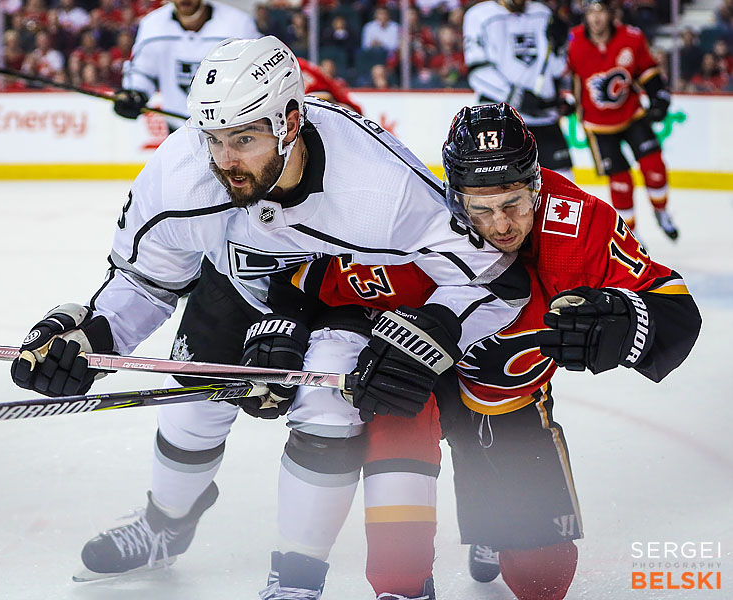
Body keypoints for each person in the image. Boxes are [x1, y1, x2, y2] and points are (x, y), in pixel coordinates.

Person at [10, 37, 531, 598]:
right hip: (237, 284)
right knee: (192, 404)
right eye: (214, 139)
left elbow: (495, 277)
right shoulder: (179, 175)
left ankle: (295, 582)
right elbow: (144, 281)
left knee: (327, 410)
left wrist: (429, 336)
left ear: (291, 122)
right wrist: (94, 335)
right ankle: (165, 525)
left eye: (245, 139)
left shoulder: (380, 184)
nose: (225, 161)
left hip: (345, 296)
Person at [292, 103, 701, 599]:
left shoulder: (577, 227)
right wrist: (282, 328)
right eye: (480, 209)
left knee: (543, 579)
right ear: (452, 197)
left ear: (536, 186)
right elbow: (308, 279)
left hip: (508, 396)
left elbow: (674, 306)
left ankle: (492, 511)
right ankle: (402, 583)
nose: (501, 225)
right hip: (428, 378)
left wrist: (626, 320)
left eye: (514, 203)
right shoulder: (415, 225)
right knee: (396, 401)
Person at [566, 0, 678, 239]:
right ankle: (631, 235)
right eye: (591, 12)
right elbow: (561, 74)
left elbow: (646, 70)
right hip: (597, 125)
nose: (596, 17)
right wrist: (561, 99)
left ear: (611, 14)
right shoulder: (573, 41)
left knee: (654, 168)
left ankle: (661, 211)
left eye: (600, 11)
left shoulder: (631, 37)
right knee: (620, 183)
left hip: (632, 115)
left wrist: (658, 95)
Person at [463, 0, 574, 179]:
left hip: (544, 118)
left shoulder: (542, 13)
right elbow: (478, 72)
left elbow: (555, 69)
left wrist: (560, 48)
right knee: (506, 184)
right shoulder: (479, 15)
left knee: (564, 179)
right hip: (500, 119)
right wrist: (517, 97)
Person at [111, 0, 259, 130]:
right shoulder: (152, 25)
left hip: (228, 126)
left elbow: (255, 70)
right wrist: (135, 93)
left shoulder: (239, 24)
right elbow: (143, 71)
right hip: (177, 128)